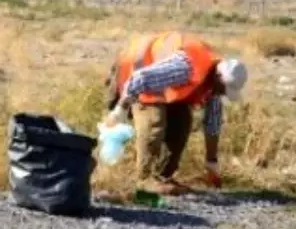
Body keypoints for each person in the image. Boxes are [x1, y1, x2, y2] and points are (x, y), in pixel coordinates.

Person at [105, 31, 248, 194]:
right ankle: (144, 181)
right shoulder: (186, 67)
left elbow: (212, 124)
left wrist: (211, 163)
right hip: (135, 72)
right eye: (223, 89)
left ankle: (162, 176)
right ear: (217, 77)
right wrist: (120, 110)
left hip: (160, 84)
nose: (222, 94)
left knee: (182, 122)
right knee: (154, 121)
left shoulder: (213, 86)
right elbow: (140, 78)